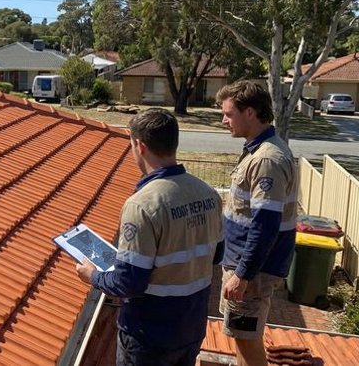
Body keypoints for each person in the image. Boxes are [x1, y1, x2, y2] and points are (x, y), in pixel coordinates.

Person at [76, 108, 223, 366]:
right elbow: (217, 254)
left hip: (150, 335)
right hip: (191, 327)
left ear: (139, 145)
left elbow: (129, 283)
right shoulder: (208, 194)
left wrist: (93, 275)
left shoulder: (142, 205)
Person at [216, 81, 297, 366]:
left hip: (252, 273)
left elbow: (264, 225)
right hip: (245, 267)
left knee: (247, 341)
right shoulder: (257, 150)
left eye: (228, 114)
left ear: (250, 112)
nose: (224, 120)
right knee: (241, 335)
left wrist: (243, 275)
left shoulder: (267, 160)